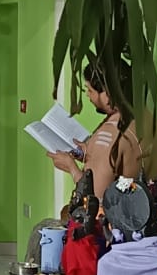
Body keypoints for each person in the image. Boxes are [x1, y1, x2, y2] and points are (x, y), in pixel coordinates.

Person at [46, 60, 145, 200]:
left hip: (114, 218)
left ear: (107, 93)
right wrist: (89, 153)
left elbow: (95, 200)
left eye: (90, 90)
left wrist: (71, 168)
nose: (87, 95)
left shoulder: (107, 135)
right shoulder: (142, 121)